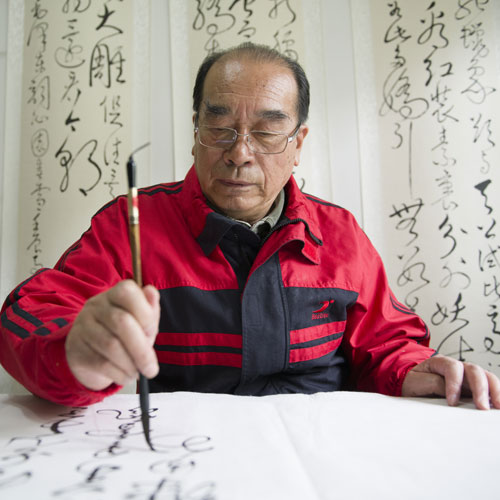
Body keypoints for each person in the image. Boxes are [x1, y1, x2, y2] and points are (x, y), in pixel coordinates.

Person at [1, 43, 499, 410]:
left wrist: (414, 372)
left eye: (266, 131)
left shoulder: (339, 234)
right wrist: (73, 351)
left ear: (298, 143)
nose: (239, 153)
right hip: (184, 460)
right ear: (195, 131)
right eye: (219, 128)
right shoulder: (132, 224)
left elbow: (386, 344)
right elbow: (30, 315)